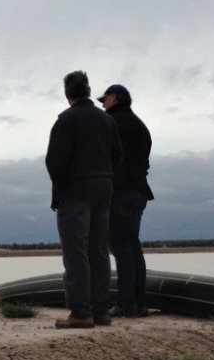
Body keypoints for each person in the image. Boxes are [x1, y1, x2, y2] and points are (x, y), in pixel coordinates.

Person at [46, 71, 122, 329]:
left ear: (68, 94)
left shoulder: (66, 120)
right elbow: (117, 156)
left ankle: (80, 312)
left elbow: (54, 161)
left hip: (76, 191)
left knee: (76, 251)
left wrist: (62, 185)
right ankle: (101, 310)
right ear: (88, 90)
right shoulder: (106, 121)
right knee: (99, 250)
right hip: (104, 188)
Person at [97, 84, 154, 318]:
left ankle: (125, 303)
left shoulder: (111, 123)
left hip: (120, 191)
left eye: (105, 99)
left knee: (120, 247)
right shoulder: (142, 127)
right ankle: (139, 303)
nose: (102, 103)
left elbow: (105, 156)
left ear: (116, 98)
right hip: (139, 192)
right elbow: (144, 163)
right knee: (132, 246)